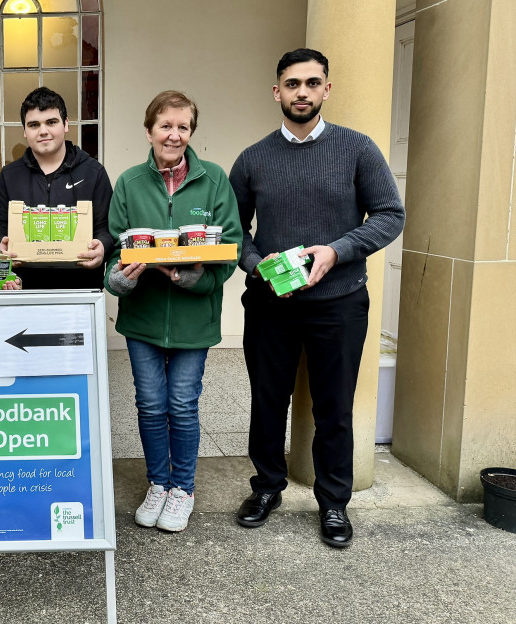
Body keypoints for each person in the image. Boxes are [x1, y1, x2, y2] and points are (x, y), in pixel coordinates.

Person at [229, 49, 405, 548]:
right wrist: (253, 263)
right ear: (276, 91)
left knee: (334, 407)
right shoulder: (252, 158)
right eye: (291, 84)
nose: (301, 92)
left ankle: (333, 503)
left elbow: (390, 215)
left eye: (311, 83)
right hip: (271, 304)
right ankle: (266, 488)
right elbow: (233, 230)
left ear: (326, 89)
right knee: (267, 403)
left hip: (340, 301)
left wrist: (338, 250)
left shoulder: (358, 149)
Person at [104, 91, 241, 532]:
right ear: (149, 131)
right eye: (166, 126)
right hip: (142, 317)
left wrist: (194, 279)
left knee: (182, 405)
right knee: (149, 404)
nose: (174, 135)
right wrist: (119, 280)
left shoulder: (215, 180)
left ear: (191, 133)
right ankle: (157, 484)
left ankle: (182, 489)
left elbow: (231, 250)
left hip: (193, 318)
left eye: (183, 127)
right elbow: (113, 248)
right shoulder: (128, 182)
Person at [0, 87, 114, 289]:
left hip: (81, 291)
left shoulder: (93, 172)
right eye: (34, 124)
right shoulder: (9, 176)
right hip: (22, 292)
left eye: (51, 122)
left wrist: (102, 248)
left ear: (66, 124)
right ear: (24, 130)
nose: (43, 131)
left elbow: (107, 227)